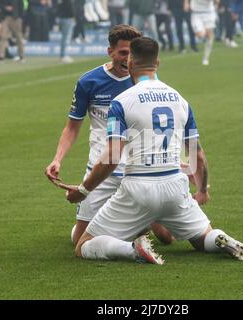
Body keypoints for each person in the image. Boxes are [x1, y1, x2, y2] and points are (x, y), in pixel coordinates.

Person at [65, 36, 243, 265]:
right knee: (202, 236)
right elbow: (198, 156)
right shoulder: (181, 100)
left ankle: (132, 249)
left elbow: (113, 157)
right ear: (158, 63)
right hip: (175, 186)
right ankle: (219, 239)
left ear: (131, 64)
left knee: (83, 244)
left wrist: (83, 191)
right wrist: (202, 190)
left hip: (138, 189)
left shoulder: (121, 102)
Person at [45, 25, 174, 246]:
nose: (128, 58)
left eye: (131, 53)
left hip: (138, 169)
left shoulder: (144, 81)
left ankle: (135, 224)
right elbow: (72, 127)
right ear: (109, 51)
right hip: (101, 168)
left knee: (166, 238)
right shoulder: (89, 82)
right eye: (123, 52)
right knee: (79, 240)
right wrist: (58, 158)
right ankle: (130, 228)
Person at [189, 0, 218, 66]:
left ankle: (206, 58)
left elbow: (217, 1)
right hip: (196, 13)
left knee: (210, 36)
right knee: (200, 34)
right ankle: (204, 35)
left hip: (209, 13)